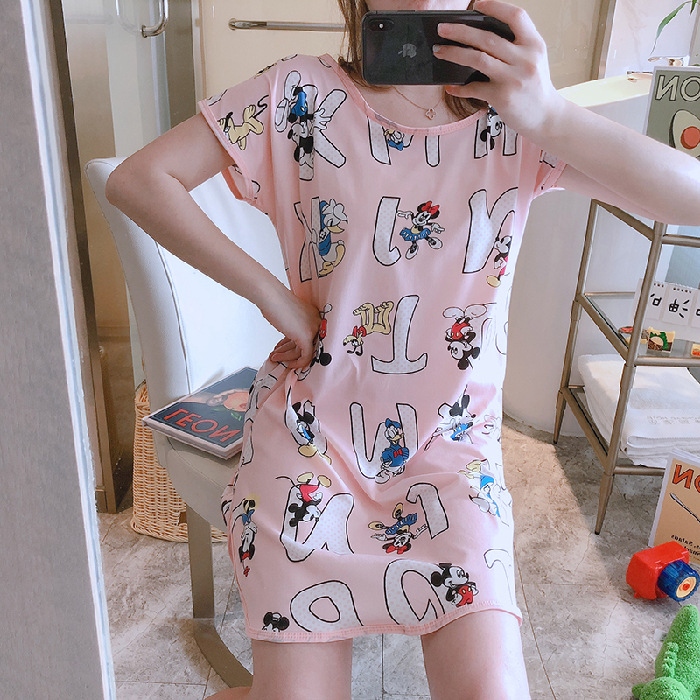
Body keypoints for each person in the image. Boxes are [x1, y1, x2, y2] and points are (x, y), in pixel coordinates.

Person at [105, 0, 700, 697]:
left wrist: (549, 114)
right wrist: (269, 293)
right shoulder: (298, 94)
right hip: (312, 445)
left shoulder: (517, 118)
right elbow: (138, 180)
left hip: (452, 455)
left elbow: (690, 199)